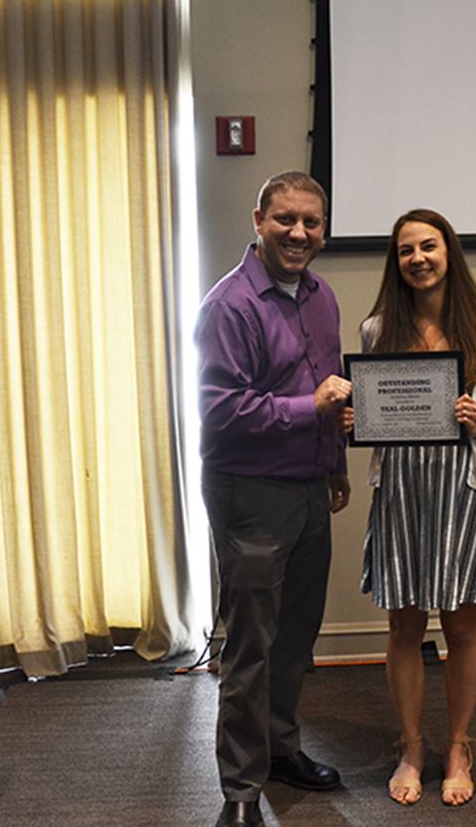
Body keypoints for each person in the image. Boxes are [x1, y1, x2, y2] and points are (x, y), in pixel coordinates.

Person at [342, 208, 476, 807]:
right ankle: (412, 747)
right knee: (404, 627)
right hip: (401, 492)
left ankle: (458, 745)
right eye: (406, 251)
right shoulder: (377, 329)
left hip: (463, 492)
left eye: (428, 247)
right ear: (395, 262)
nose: (417, 259)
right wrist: (356, 420)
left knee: (462, 626)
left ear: (449, 253)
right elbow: (374, 410)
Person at [195, 171, 353, 827]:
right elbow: (220, 411)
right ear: (258, 220)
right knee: (251, 646)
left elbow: (333, 391)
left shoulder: (321, 296)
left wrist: (336, 464)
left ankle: (280, 749)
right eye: (285, 219)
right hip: (251, 494)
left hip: (310, 489)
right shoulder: (229, 305)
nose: (298, 233)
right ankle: (239, 790)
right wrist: (307, 408)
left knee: (294, 638)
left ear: (324, 230)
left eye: (311, 222)